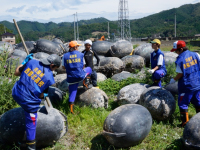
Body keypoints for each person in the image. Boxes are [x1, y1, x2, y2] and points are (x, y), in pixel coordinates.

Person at [12, 53, 61, 150]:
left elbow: (16, 72)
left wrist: (24, 63)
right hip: (27, 101)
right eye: (55, 68)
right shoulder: (50, 79)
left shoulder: (32, 62)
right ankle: (31, 146)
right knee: (32, 122)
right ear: (52, 65)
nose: (54, 70)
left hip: (16, 93)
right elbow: (41, 95)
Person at [169, 40, 200, 127]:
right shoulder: (196, 54)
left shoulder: (180, 60)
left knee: (183, 104)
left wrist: (174, 79)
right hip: (197, 84)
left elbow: (180, 73)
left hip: (186, 86)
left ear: (181, 49)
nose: (176, 53)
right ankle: (199, 119)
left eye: (176, 51)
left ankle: (185, 123)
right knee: (197, 101)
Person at [62, 41, 92, 114]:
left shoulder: (65, 56)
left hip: (71, 78)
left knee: (73, 92)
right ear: (75, 47)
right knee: (89, 69)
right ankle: (85, 83)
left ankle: (71, 111)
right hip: (80, 76)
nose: (78, 48)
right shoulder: (81, 54)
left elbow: (63, 67)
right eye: (77, 46)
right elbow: (83, 66)